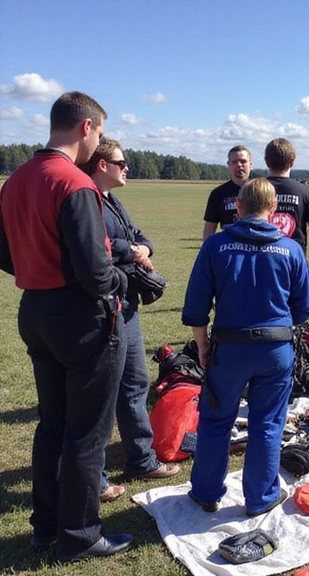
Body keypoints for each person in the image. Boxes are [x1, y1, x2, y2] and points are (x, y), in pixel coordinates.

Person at [0, 91, 132, 561]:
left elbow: (3, 252)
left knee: (51, 425)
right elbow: (96, 273)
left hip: (34, 310)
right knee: (87, 432)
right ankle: (79, 536)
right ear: (86, 128)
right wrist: (127, 274)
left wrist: (38, 269)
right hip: (79, 318)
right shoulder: (75, 183)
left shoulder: (15, 180)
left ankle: (45, 527)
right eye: (98, 132)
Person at [182, 178, 309, 515]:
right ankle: (260, 497)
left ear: (237, 208)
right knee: (267, 423)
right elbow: (303, 309)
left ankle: (206, 491)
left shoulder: (215, 246)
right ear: (273, 210)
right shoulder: (291, 249)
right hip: (275, 350)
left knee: (215, 421)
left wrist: (202, 345)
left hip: (228, 349)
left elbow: (197, 305)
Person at [80, 138, 180, 502]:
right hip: (106, 305)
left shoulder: (111, 199)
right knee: (102, 394)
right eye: (121, 162)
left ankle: (141, 458)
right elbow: (98, 242)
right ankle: (98, 477)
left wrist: (144, 248)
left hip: (128, 305)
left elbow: (137, 234)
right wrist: (131, 251)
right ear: (101, 164)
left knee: (135, 383)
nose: (127, 168)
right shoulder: (87, 197)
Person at [264, 138, 309, 276]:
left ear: (266, 161)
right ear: (292, 162)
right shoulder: (304, 191)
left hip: (261, 258)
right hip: (294, 258)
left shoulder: (254, 189)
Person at [202, 145, 253, 241]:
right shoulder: (218, 194)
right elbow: (209, 230)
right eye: (234, 162)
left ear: (251, 164)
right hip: (229, 249)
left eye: (243, 161)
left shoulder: (259, 191)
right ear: (229, 165)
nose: (239, 165)